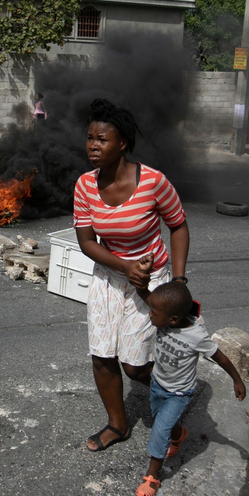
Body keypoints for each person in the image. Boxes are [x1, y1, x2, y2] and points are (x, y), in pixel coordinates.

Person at [73, 98, 190, 452]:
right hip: (110, 276)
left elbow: (179, 225)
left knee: (134, 366)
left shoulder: (153, 182)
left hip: (151, 280)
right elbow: (85, 241)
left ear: (122, 143)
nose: (93, 146)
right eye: (90, 138)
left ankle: (173, 398)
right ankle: (118, 425)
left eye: (102, 139)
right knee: (102, 356)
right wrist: (124, 266)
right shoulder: (84, 185)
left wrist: (178, 282)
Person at [133, 276, 245, 496]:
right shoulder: (165, 314)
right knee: (162, 423)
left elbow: (220, 358)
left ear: (173, 319)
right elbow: (148, 297)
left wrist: (237, 379)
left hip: (179, 393)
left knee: (160, 430)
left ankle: (152, 475)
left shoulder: (197, 336)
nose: (150, 314)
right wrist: (140, 283)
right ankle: (179, 434)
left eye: (154, 313)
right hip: (157, 384)